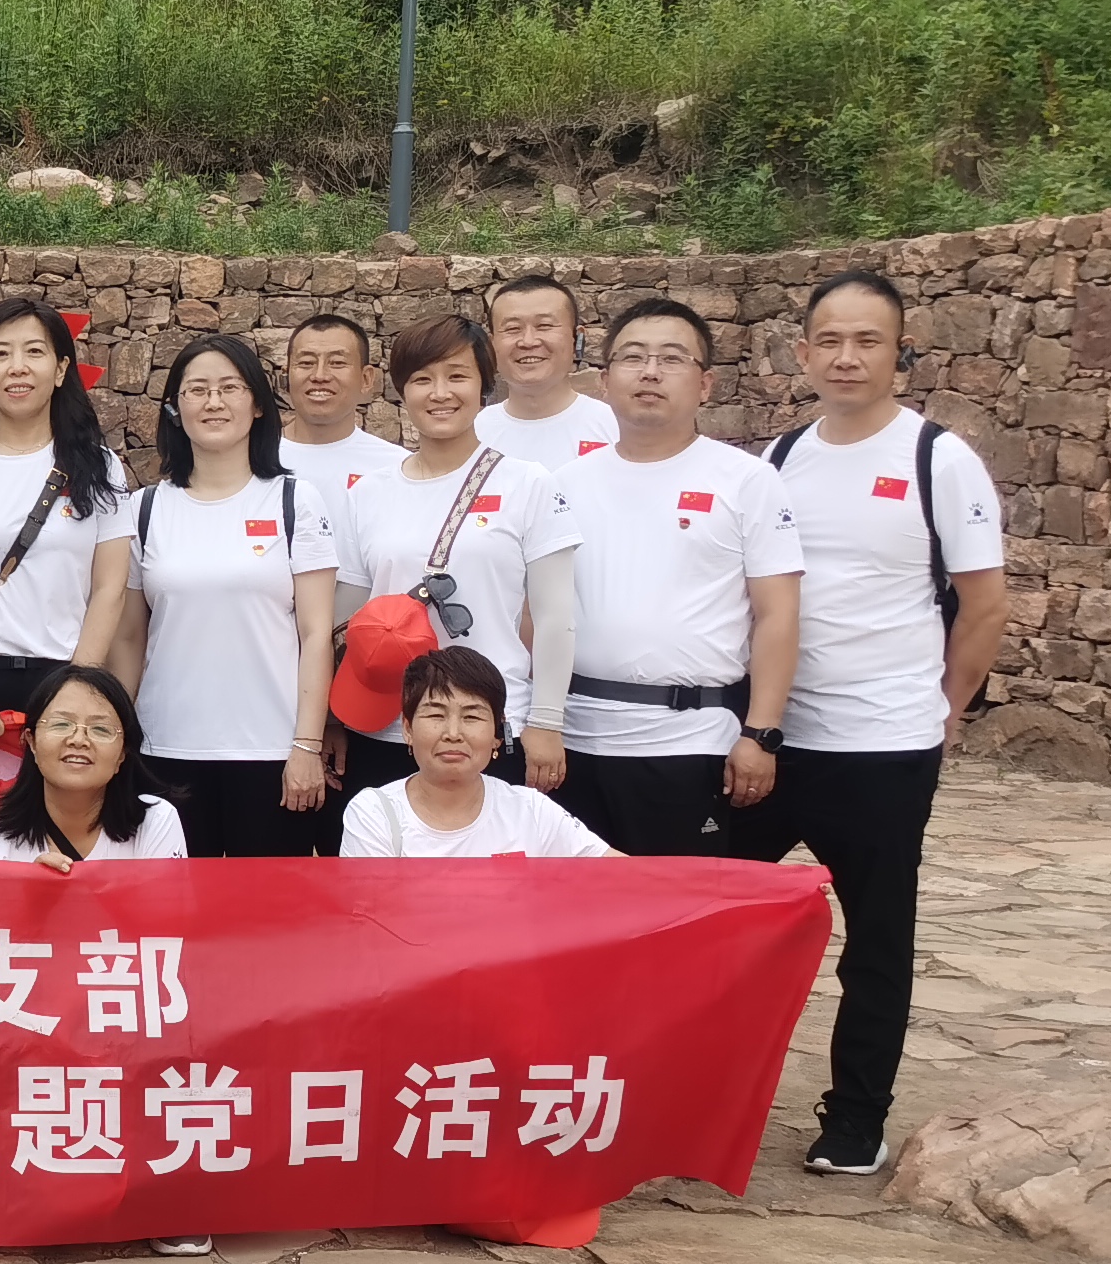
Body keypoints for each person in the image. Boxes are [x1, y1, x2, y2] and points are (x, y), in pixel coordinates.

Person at [721, 270, 1008, 1175]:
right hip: (773, 738)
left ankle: (855, 1118)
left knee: (876, 938)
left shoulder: (937, 460)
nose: (847, 358)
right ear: (803, 353)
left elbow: (984, 605)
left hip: (883, 745)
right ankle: (699, 1091)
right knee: (710, 914)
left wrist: (945, 708)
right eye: (831, 342)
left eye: (869, 341)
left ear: (901, 353)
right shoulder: (777, 460)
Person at [555, 297, 802, 858]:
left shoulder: (746, 481)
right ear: (604, 379)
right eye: (632, 357)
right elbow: (537, 613)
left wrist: (760, 733)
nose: (650, 372)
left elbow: (778, 613)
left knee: (677, 906)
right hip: (576, 740)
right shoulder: (565, 485)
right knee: (574, 906)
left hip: (690, 742)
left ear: (705, 384)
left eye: (671, 358)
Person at [328, 311, 581, 801]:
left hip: (487, 725)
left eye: (457, 376)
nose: (440, 393)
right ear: (402, 391)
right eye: (422, 379)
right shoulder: (368, 493)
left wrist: (547, 721)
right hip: (386, 725)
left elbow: (556, 617)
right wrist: (333, 718)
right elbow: (346, 619)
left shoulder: (527, 483)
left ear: (484, 386)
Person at [0, 299, 133, 849]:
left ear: (61, 369)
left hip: (63, 681)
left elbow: (109, 588)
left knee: (61, 847)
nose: (17, 367)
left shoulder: (99, 466)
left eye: (34, 352)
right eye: (0, 354)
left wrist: (78, 692)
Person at [118, 335, 336, 855]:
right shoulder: (145, 509)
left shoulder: (294, 501)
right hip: (165, 748)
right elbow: (127, 637)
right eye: (197, 390)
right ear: (175, 409)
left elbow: (316, 634)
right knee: (173, 901)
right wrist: (120, 736)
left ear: (257, 404)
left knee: (263, 902)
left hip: (272, 752)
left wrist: (307, 744)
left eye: (229, 388)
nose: (213, 402)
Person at [341, 646, 617, 857]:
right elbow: (369, 910)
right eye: (436, 715)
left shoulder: (531, 810)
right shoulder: (373, 813)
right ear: (408, 728)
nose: (453, 733)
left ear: (497, 733)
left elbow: (620, 873)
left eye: (471, 717)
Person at [0, 662, 189, 866]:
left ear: (122, 753)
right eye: (61, 724)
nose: (78, 740)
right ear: (31, 741)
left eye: (100, 729)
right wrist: (30, 888)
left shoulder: (155, 823)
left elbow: (164, 899)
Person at [484, 275, 621, 466]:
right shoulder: (470, 435)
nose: (528, 341)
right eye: (513, 328)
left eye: (544, 326)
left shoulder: (618, 429)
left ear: (577, 338)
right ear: (491, 344)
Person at [277, 313, 407, 505]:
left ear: (366, 378)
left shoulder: (397, 469)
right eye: (306, 363)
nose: (319, 376)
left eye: (337, 363)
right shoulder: (251, 461)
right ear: (286, 375)